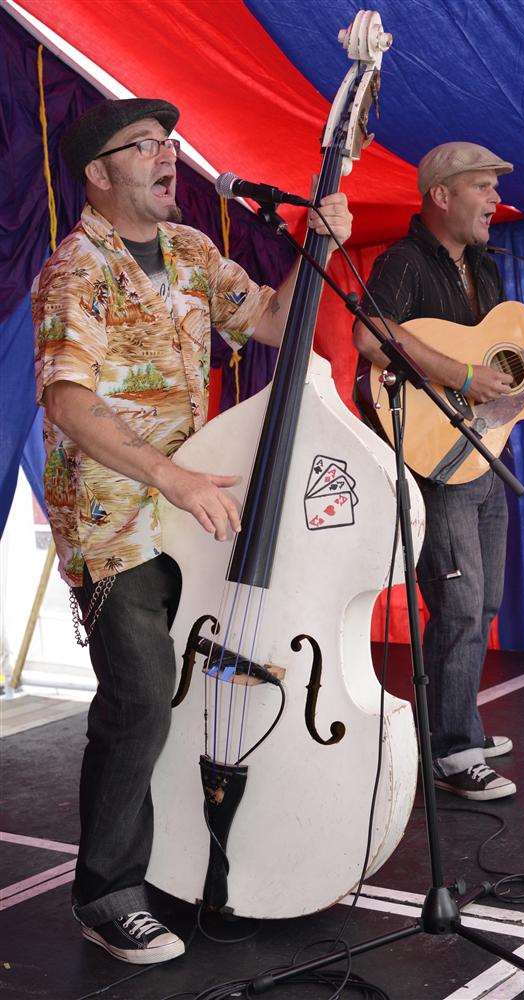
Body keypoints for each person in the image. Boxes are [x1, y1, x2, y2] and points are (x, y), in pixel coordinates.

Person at [32, 97, 351, 964]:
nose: (168, 155)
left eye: (170, 142)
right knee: (139, 695)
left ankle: (188, 847)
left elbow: (277, 324)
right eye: (144, 146)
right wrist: (167, 471)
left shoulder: (191, 251)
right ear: (99, 175)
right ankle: (105, 895)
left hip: (190, 506)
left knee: (186, 689)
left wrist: (315, 245)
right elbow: (67, 399)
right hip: (114, 519)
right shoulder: (75, 269)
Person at [353, 141, 524, 802]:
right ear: (440, 194)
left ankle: (455, 723)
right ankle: (451, 750)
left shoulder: (488, 269)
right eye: (483, 187)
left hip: (486, 455)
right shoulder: (403, 262)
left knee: (482, 602)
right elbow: (369, 335)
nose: (496, 200)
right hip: (433, 461)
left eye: (496, 188)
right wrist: (461, 374)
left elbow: (506, 379)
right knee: (459, 606)